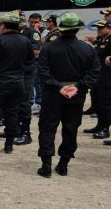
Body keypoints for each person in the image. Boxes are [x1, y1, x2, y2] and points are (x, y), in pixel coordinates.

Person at [37, 13, 100, 177]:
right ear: (77, 29)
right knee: (71, 129)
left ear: (60, 28)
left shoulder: (48, 48)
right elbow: (95, 72)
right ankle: (63, 164)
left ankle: (46, 166)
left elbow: (43, 72)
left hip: (52, 94)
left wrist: (59, 86)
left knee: (47, 127)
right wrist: (78, 86)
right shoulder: (87, 48)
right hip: (76, 95)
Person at [0, 12, 35, 154]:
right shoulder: (25, 41)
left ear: (3, 26)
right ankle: (9, 145)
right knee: (12, 113)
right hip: (17, 83)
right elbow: (31, 60)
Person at [14, 11, 41, 145]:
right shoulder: (10, 33)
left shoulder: (31, 32)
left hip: (26, 71)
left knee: (24, 102)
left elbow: (36, 52)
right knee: (13, 101)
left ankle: (26, 133)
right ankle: (15, 129)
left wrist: (16, 48)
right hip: (12, 71)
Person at [84, 20, 111, 139]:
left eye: (101, 28)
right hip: (97, 76)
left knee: (106, 105)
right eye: (97, 27)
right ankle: (99, 125)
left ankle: (105, 129)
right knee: (97, 103)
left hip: (108, 77)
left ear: (109, 28)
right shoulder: (101, 39)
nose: (98, 30)